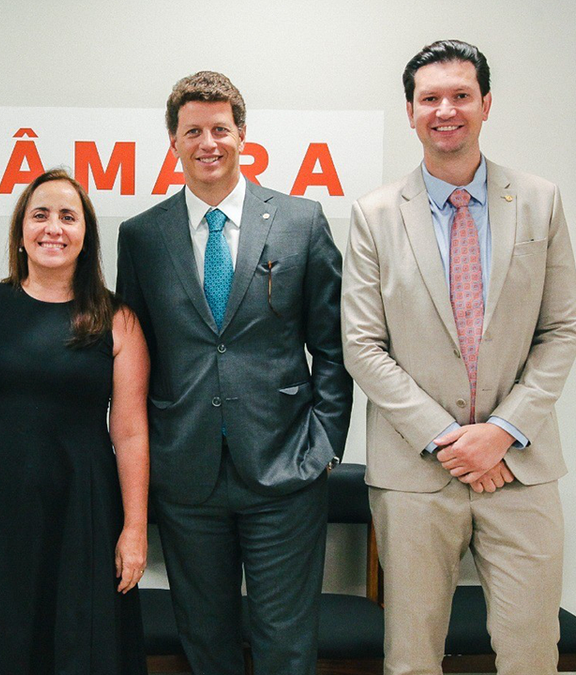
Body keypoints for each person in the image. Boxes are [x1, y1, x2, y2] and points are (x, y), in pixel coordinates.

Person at [342, 40, 576, 675]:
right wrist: (452, 440)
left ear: (486, 104)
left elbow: (561, 330)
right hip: (416, 474)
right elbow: (363, 347)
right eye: (430, 99)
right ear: (412, 111)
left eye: (460, 96)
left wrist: (499, 434)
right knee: (412, 655)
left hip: (521, 469)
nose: (445, 109)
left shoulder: (539, 201)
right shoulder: (372, 216)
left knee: (531, 651)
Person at [116, 71, 352, 675]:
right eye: (192, 131)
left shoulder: (301, 221)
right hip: (187, 473)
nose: (208, 143)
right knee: (206, 639)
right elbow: (133, 361)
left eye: (220, 128)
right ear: (173, 142)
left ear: (242, 134)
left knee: (285, 642)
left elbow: (333, 346)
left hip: (285, 469)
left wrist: (323, 446)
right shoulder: (142, 236)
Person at [0, 168, 149, 675]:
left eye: (68, 216)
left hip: (83, 503)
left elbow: (130, 430)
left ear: (86, 234)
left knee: (77, 635)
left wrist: (135, 529)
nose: (53, 227)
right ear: (21, 231)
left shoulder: (117, 319)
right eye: (40, 215)